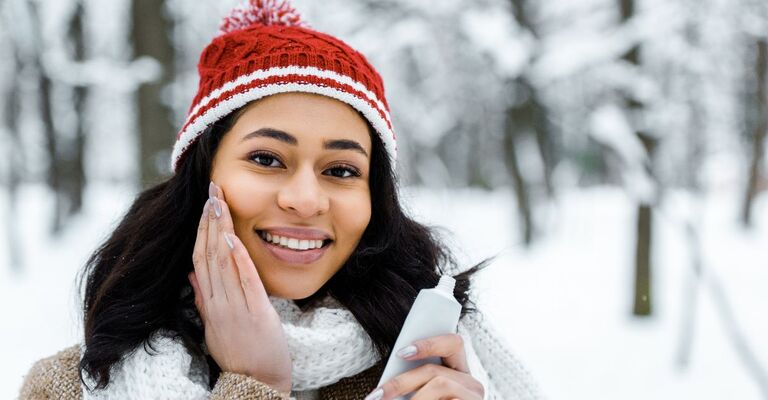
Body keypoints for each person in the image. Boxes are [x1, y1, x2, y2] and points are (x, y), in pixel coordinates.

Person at [19, 1, 541, 399]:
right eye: (267, 159)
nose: (306, 200)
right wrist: (257, 384)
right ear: (202, 177)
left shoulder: (421, 365)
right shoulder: (69, 388)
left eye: (341, 170)